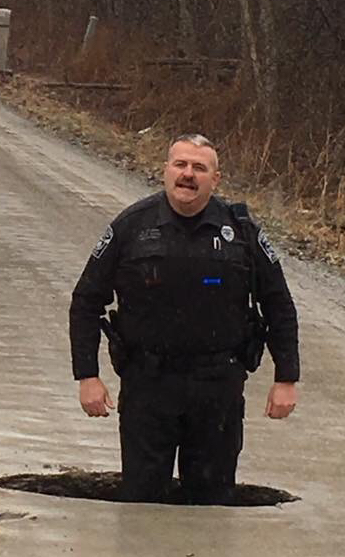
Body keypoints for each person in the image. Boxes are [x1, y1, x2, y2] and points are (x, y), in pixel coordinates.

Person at [69, 133, 299, 505]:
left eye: (199, 168)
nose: (188, 175)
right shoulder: (132, 227)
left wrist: (286, 377)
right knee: (142, 505)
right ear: (165, 171)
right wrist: (87, 376)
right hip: (148, 386)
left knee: (211, 506)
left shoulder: (240, 232)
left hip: (217, 388)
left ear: (215, 179)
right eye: (180, 165)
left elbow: (279, 305)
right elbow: (85, 301)